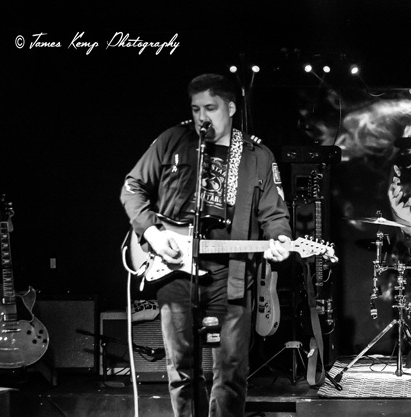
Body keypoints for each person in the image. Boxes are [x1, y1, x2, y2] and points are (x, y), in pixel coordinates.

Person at [120, 73, 293, 417]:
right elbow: (132, 187)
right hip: (173, 270)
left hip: (232, 272)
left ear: (229, 108)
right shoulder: (173, 140)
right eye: (196, 108)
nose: (202, 116)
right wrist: (153, 233)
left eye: (210, 108)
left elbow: (275, 214)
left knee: (230, 371)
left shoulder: (257, 155)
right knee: (181, 368)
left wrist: (280, 240)